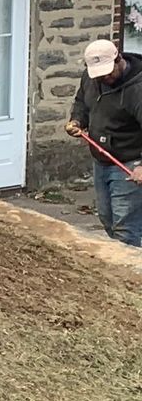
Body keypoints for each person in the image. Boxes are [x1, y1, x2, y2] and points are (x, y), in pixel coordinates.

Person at [67, 38, 142, 246]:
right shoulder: (92, 78)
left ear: (118, 59)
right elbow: (81, 101)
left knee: (126, 229)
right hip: (101, 161)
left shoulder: (137, 90)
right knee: (106, 218)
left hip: (129, 163)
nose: (104, 77)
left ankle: (131, 272)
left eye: (108, 72)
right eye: (99, 75)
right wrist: (77, 120)